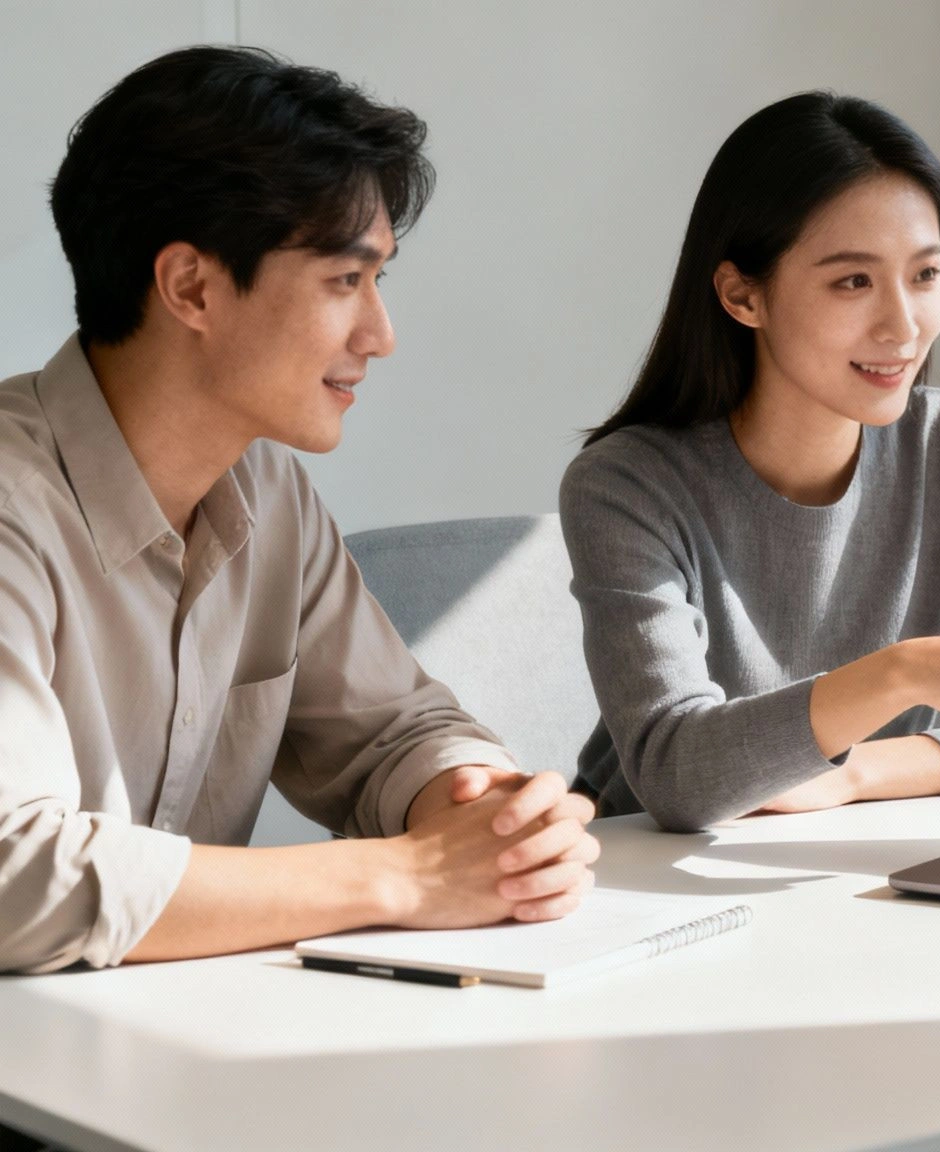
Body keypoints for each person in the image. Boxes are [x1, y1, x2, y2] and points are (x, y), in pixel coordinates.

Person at [0, 46, 600, 977]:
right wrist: (406, 877)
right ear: (191, 286)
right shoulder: (11, 505)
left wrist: (479, 806)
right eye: (344, 281)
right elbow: (14, 876)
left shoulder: (265, 491)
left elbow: (390, 735)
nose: (380, 335)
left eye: (379, 282)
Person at [563, 91, 940, 831]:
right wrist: (904, 674)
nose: (903, 325)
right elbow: (678, 775)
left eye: (925, 275)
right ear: (743, 296)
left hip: (853, 860)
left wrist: (856, 774)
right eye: (853, 281)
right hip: (650, 884)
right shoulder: (626, 484)